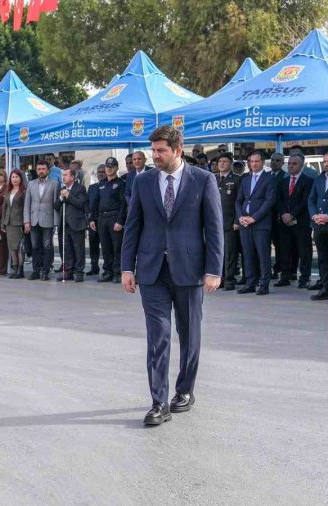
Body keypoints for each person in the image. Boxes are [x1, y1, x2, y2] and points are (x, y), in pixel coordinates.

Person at [121, 126, 223, 426]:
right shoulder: (143, 181)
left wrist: (214, 270)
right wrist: (128, 268)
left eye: (161, 151)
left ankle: (185, 390)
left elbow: (214, 228)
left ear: (177, 150)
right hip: (152, 271)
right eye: (153, 150)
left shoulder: (203, 180)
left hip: (190, 271)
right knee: (158, 337)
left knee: (189, 334)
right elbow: (133, 226)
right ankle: (158, 402)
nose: (155, 156)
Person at [235, 151, 277, 295]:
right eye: (251, 161)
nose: (253, 164)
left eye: (256, 161)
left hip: (260, 224)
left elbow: (269, 201)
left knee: (263, 254)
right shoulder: (245, 179)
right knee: (247, 254)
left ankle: (264, 284)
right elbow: (238, 200)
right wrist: (240, 217)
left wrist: (254, 218)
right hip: (244, 223)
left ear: (262, 162)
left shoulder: (269, 179)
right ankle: (250, 283)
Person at [275, 154, 314, 288]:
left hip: (301, 222)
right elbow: (279, 200)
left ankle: (304, 277)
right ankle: (285, 276)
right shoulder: (283, 182)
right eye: (289, 163)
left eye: (294, 164)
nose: (291, 166)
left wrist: (292, 214)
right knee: (285, 250)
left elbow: (306, 201)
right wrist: (284, 214)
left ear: (301, 165)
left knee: (304, 251)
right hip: (285, 222)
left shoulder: (308, 181)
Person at [90, 157, 127, 283]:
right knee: (105, 247)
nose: (109, 169)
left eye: (111, 167)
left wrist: (120, 221)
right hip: (102, 218)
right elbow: (95, 202)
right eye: (107, 167)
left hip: (114, 218)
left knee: (116, 247)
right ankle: (108, 271)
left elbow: (123, 204)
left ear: (116, 168)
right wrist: (92, 218)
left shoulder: (121, 184)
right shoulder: (101, 184)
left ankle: (117, 272)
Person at [24, 160, 59, 281]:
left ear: (47, 170)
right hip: (34, 220)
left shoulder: (54, 184)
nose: (41, 171)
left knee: (47, 246)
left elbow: (56, 205)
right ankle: (36, 270)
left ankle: (45, 270)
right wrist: (26, 221)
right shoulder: (31, 184)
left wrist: (56, 222)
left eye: (43, 169)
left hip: (48, 219)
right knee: (35, 246)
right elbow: (27, 204)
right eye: (39, 169)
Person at [307, 150, 328, 301]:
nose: (327, 164)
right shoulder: (319, 179)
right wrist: (314, 215)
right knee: (323, 258)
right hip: (319, 225)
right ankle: (326, 288)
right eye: (325, 161)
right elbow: (311, 199)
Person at [55, 167, 88, 282]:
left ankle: (79, 271)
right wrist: (61, 197)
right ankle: (68, 270)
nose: (63, 177)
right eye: (63, 175)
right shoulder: (62, 189)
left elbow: (80, 203)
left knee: (78, 249)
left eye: (66, 175)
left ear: (73, 177)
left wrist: (68, 196)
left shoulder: (80, 188)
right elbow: (55, 206)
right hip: (64, 224)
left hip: (76, 223)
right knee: (66, 248)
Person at [215, 153, 242, 290]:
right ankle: (219, 279)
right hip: (214, 223)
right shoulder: (213, 178)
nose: (221, 164)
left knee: (230, 253)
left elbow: (240, 201)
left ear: (230, 164)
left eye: (225, 161)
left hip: (229, 222)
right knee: (217, 252)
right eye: (220, 161)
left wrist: (237, 220)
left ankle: (229, 280)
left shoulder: (237, 179)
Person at [2, 169, 27, 279]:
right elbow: (5, 208)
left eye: (17, 177)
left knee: (19, 248)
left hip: (18, 223)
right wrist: (3, 223)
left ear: (21, 178)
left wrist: (26, 222)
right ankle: (15, 268)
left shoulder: (23, 191)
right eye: (13, 177)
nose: (15, 179)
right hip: (9, 223)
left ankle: (21, 270)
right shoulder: (8, 191)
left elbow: (26, 208)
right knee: (12, 248)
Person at [269, 152, 287, 280]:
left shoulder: (285, 177)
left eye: (277, 160)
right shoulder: (266, 176)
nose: (274, 162)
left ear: (282, 163)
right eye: (273, 160)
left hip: (279, 217)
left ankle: (279, 269)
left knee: (280, 246)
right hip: (265, 216)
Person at [86, 165, 106, 276]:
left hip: (105, 220)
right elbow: (88, 204)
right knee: (93, 245)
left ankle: (108, 268)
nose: (100, 174)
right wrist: (89, 219)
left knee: (106, 246)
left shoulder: (110, 185)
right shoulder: (92, 187)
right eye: (99, 172)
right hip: (93, 221)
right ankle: (94, 267)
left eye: (103, 172)